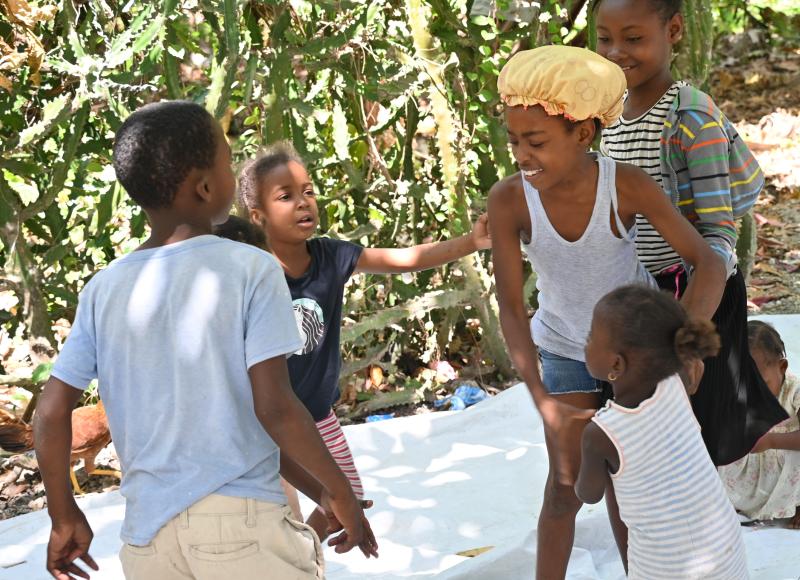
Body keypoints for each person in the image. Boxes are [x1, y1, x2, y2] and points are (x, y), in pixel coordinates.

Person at [33, 101, 377, 580]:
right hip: (243, 528)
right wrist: (339, 490)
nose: (234, 171)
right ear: (206, 186)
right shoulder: (251, 268)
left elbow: (49, 413)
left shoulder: (103, 289)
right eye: (228, 160)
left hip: (148, 539)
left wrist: (63, 513)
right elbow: (274, 408)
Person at [488, 44, 726, 579]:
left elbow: (707, 262)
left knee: (632, 485)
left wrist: (683, 347)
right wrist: (541, 399)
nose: (523, 156)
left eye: (537, 142)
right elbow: (510, 307)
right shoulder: (509, 201)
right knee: (564, 485)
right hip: (567, 349)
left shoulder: (625, 185)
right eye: (515, 142)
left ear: (583, 134)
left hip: (636, 354)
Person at [236, 141, 491, 539]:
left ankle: (303, 560)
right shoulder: (248, 271)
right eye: (286, 196)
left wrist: (469, 243)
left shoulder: (330, 257)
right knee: (276, 520)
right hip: (264, 421)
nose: (304, 203)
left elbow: (405, 258)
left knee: (346, 496)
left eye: (308, 191)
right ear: (258, 215)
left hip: (316, 416)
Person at [594, 0, 788, 467]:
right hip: (642, 293)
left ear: (674, 30)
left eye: (634, 38)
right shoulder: (607, 114)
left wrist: (683, 334)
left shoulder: (690, 121)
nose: (617, 51)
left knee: (694, 429)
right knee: (639, 425)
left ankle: (699, 528)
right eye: (605, 38)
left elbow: (718, 238)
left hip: (697, 293)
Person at [577, 285, 748, 579]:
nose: (586, 342)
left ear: (616, 364)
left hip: (666, 567)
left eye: (591, 336)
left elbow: (589, 494)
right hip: (725, 550)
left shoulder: (600, 434)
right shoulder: (676, 381)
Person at [719, 321, 800, 528]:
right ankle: (741, 501)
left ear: (781, 367)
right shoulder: (733, 392)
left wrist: (772, 440)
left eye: (761, 384)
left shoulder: (794, 391)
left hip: (787, 469)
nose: (753, 394)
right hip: (752, 470)